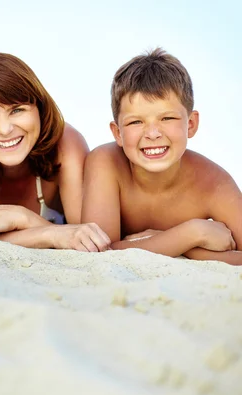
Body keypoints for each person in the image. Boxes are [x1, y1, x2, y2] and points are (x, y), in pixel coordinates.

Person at [81, 48, 242, 265]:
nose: (153, 134)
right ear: (118, 132)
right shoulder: (106, 163)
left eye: (167, 118)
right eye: (136, 122)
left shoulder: (214, 183)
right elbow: (98, 251)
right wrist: (191, 234)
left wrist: (171, 243)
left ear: (191, 124)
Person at [0, 52, 111, 251]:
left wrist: (21, 217)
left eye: (17, 110)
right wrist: (51, 233)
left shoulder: (66, 142)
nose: (5, 129)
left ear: (39, 108)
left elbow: (87, 239)